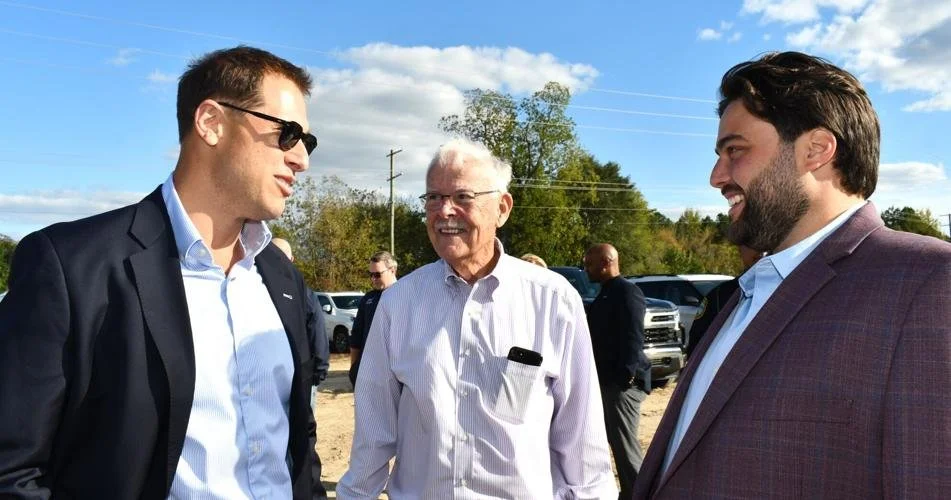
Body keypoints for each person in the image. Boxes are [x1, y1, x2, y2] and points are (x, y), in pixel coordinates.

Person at [0, 46, 327, 499]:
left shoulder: (281, 277)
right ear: (211, 122)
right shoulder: (71, 266)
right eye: (288, 134)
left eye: (307, 142)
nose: (301, 160)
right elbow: (13, 471)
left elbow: (298, 446)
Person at [634, 51, 951, 499]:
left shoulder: (928, 281)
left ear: (817, 149)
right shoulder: (749, 291)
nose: (716, 176)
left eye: (735, 150)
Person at [337, 139, 617, 499]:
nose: (445, 211)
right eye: (433, 198)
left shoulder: (553, 299)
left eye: (463, 197)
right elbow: (373, 433)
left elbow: (581, 439)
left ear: (502, 208)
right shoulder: (398, 303)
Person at [583, 243, 650, 499]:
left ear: (606, 262)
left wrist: (626, 378)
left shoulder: (626, 292)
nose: (585, 269)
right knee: (614, 442)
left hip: (622, 385)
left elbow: (634, 337)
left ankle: (641, 492)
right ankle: (629, 491)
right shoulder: (606, 292)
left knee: (625, 445)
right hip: (609, 382)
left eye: (589, 264)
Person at [273, 237, 330, 394]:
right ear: (291, 259)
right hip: (301, 374)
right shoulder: (304, 293)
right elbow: (317, 331)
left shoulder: (251, 289)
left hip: (271, 376)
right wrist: (320, 369)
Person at [685, 245, 762, 357]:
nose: (761, 248)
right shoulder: (720, 295)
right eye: (751, 241)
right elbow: (697, 346)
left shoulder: (791, 291)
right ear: (739, 248)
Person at [348, 250, 398, 387]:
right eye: (371, 275)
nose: (373, 279)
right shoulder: (368, 299)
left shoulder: (406, 295)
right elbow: (357, 336)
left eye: (377, 274)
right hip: (369, 370)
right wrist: (354, 367)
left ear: (392, 270)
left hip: (397, 370)